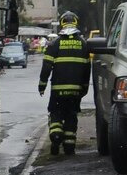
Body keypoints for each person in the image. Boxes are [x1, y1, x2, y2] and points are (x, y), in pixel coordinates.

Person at [38, 11, 91, 155]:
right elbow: (87, 70)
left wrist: (42, 85)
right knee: (71, 117)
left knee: (55, 114)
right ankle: (69, 146)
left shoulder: (55, 44)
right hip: (75, 92)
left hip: (57, 91)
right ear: (76, 23)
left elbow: (46, 67)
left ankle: (55, 136)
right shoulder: (83, 44)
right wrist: (84, 88)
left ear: (62, 23)